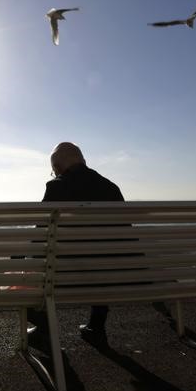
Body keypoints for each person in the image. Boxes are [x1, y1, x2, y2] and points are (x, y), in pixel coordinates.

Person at [28, 142, 125, 349]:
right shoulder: (111, 188)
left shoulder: (57, 187)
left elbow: (40, 235)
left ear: (57, 168)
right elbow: (125, 237)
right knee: (101, 259)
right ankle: (96, 327)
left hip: (64, 279)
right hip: (111, 278)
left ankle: (45, 329)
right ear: (84, 161)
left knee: (27, 270)